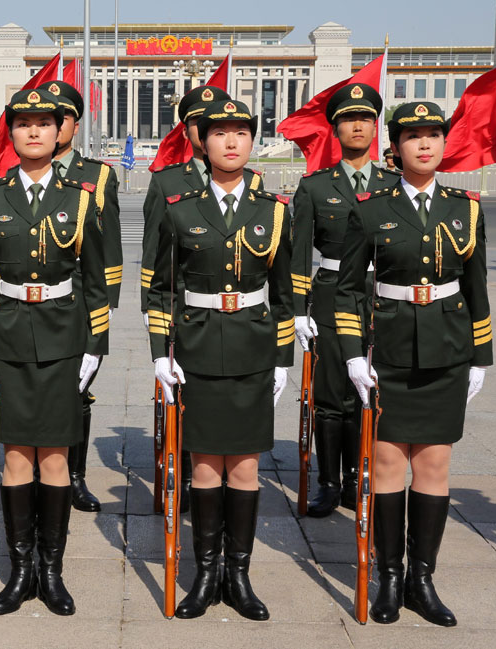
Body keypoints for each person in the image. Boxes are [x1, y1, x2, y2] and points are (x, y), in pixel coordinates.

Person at [336, 101, 491, 627]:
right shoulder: (370, 207)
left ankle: (423, 580)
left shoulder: (465, 206)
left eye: (433, 134)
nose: (425, 144)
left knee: (433, 467)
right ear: (395, 148)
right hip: (392, 352)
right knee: (386, 466)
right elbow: (349, 287)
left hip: (447, 350)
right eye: (413, 136)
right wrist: (354, 354)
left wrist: (481, 357)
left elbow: (476, 286)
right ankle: (390, 576)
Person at [148, 99, 294, 620]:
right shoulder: (180, 208)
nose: (231, 142)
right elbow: (160, 289)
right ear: (202, 142)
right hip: (198, 347)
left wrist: (283, 357)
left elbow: (286, 293)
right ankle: (205, 572)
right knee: (205, 465)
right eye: (220, 133)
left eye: (241, 132)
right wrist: (159, 354)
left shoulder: (275, 210)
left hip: (253, 347)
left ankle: (240, 573)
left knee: (247, 467)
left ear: (253, 141)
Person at [0, 89, 109, 616]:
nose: (33, 132)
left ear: (59, 132)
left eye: (43, 124)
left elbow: (96, 281)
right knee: (14, 456)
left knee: (54, 456)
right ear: (11, 131)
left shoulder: (82, 197)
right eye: (23, 123)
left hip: (62, 336)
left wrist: (96, 346)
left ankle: (52, 571)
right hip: (6, 336)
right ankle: (19, 567)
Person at [291, 83, 401, 517]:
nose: (358, 125)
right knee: (331, 394)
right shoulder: (316, 187)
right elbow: (299, 253)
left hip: (383, 297)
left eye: (367, 119)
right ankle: (328, 482)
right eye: (349, 119)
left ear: (376, 127)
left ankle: (359, 478)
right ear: (334, 129)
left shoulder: (394, 184)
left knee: (369, 393)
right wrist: (299, 310)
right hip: (333, 295)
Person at [140, 84, 232, 512]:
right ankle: (187, 472)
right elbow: (153, 257)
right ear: (189, 128)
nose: (206, 129)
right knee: (182, 398)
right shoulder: (167, 181)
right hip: (180, 308)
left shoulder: (247, 179)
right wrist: (151, 311)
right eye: (197, 122)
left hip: (227, 312)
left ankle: (215, 474)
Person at [36, 79, 122, 513]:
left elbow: (108, 248)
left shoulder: (97, 175)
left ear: (72, 122)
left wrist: (104, 306)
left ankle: (74, 475)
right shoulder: (24, 171)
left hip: (79, 300)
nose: (55, 125)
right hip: (34, 305)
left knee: (78, 394)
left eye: (63, 117)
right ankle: (35, 472)